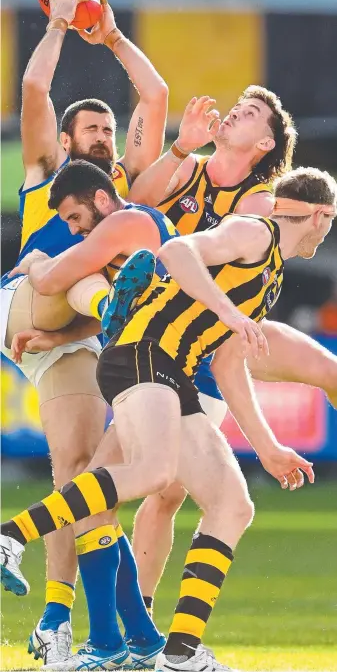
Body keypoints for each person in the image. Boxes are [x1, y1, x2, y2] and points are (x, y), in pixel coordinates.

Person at [2, 166, 336, 672]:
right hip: (142, 353)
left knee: (233, 505)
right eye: (329, 223)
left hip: (169, 370)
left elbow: (226, 363)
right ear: (320, 215)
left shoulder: (271, 274)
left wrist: (266, 447)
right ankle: (10, 535)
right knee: (154, 475)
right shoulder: (255, 230)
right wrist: (228, 312)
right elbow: (176, 252)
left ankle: (179, 652)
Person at [0, 0, 169, 668]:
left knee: (81, 474)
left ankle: (63, 622)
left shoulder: (118, 194)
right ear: (67, 139)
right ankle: (109, 301)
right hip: (25, 303)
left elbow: (155, 98)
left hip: (72, 335)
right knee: (84, 273)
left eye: (108, 129)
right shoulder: (48, 175)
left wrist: (113, 37)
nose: (103, 137)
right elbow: (34, 95)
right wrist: (60, 26)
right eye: (92, 129)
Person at [124, 89, 337, 613]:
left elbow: (227, 298)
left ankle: (133, 620)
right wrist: (178, 149)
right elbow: (138, 203)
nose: (235, 108)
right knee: (145, 483)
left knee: (164, 489)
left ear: (265, 142)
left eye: (250, 112)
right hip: (157, 332)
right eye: (237, 106)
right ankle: (124, 619)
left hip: (206, 337)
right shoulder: (189, 165)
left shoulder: (260, 203)